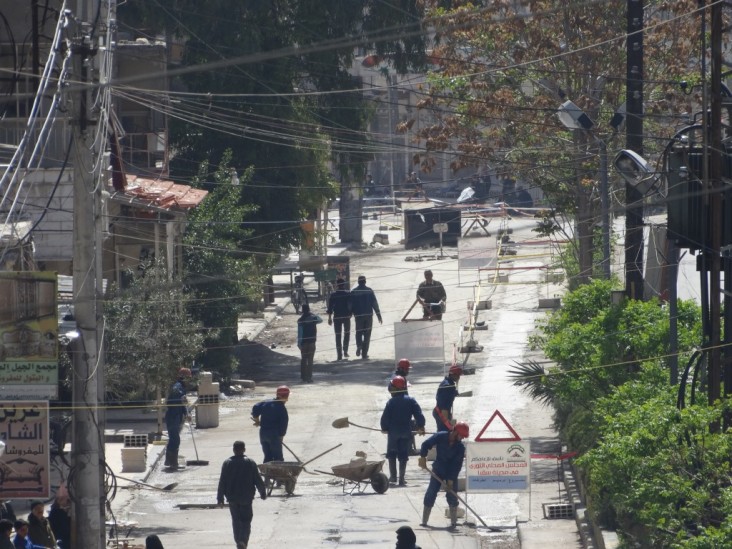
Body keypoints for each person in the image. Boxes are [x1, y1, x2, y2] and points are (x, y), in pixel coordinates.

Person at [217, 440, 267, 549]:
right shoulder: (250, 462)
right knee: (246, 520)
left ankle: (239, 541)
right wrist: (262, 492)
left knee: (236, 520)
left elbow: (222, 482)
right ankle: (243, 541)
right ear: (244, 450)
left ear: (234, 450)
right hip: (246, 498)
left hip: (232, 498)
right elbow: (257, 479)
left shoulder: (227, 463)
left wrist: (220, 498)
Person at [418, 422, 469, 528]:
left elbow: (456, 465)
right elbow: (425, 444)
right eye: (461, 436)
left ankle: (454, 522)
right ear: (455, 432)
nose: (462, 438)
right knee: (431, 493)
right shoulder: (440, 436)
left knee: (452, 496)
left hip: (451, 473)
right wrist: (423, 457)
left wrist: (450, 480)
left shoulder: (460, 448)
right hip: (438, 470)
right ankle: (424, 521)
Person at [380, 376, 426, 486]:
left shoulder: (390, 402)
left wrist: (384, 428)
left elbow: (384, 419)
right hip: (406, 431)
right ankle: (401, 478)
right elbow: (419, 415)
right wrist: (421, 426)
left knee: (391, 453)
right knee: (403, 455)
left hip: (393, 432)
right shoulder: (411, 400)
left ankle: (393, 477)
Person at [251, 385, 290, 463]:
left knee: (267, 457)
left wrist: (257, 421)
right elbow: (284, 423)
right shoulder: (281, 408)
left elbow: (255, 408)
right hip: (274, 435)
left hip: (263, 434)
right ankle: (278, 474)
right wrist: (281, 436)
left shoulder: (266, 402)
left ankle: (267, 473)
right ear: (286, 396)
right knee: (278, 458)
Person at [164, 367, 192, 470]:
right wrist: (182, 398)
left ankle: (170, 462)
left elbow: (182, 404)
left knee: (174, 439)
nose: (189, 380)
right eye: (188, 378)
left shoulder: (181, 387)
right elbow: (176, 400)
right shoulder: (177, 387)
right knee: (175, 440)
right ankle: (172, 463)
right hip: (173, 416)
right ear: (183, 377)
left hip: (176, 416)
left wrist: (186, 413)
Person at [351, 275, 382, 359]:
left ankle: (359, 346)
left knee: (358, 333)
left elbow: (350, 305)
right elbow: (374, 303)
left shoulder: (354, 292)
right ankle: (364, 353)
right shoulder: (369, 291)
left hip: (358, 317)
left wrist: (350, 314)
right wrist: (379, 315)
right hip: (368, 316)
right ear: (365, 282)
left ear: (358, 282)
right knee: (367, 335)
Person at [326, 278, 352, 361]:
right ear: (344, 284)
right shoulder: (348, 294)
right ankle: (345, 351)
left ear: (337, 285)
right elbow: (351, 305)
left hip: (337, 317)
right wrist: (350, 313)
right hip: (346, 317)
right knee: (347, 334)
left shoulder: (333, 295)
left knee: (338, 335)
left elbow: (330, 308)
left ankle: (339, 354)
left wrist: (329, 318)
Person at [297, 303, 323, 382]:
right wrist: (313, 314)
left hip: (304, 343)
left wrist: (299, 343)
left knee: (303, 359)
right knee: (310, 360)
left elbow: (300, 333)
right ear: (309, 309)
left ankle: (303, 377)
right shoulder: (314, 318)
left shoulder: (300, 320)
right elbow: (320, 320)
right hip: (312, 342)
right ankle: (309, 377)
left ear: (302, 311)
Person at [433, 365, 463, 431]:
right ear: (453, 375)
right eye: (458, 375)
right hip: (442, 413)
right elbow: (444, 406)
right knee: (445, 433)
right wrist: (447, 422)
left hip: (439, 411)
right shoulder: (449, 387)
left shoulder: (447, 382)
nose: (459, 377)